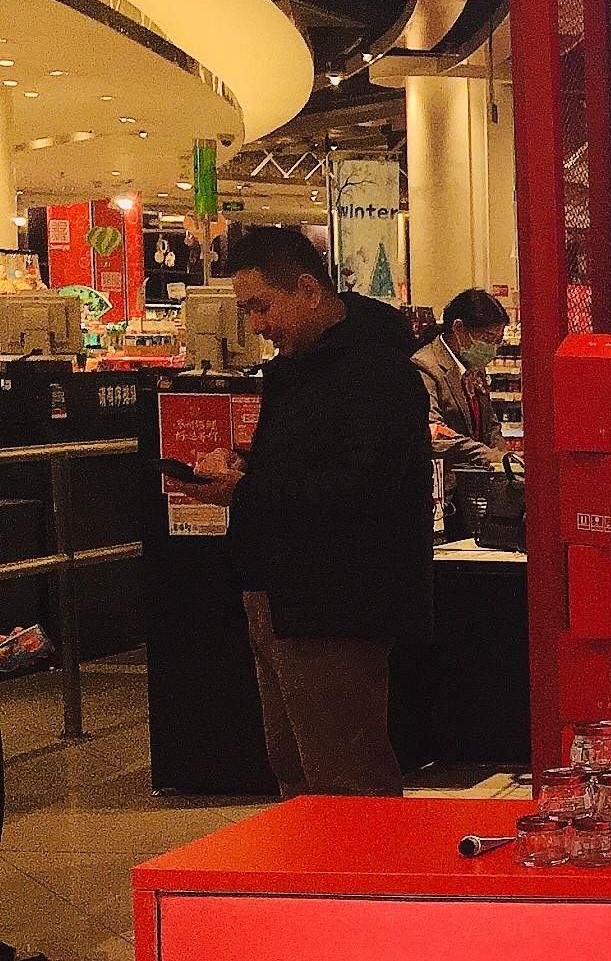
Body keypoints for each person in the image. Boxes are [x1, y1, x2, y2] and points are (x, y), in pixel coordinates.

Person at [177, 226, 432, 798]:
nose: (256, 325)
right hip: (277, 593)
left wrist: (245, 490)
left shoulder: (377, 374)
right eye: (246, 311)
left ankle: (365, 863)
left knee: (346, 780)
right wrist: (242, 463)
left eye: (262, 306)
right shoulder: (295, 368)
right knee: (294, 769)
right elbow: (303, 463)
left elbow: (367, 490)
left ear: (309, 290)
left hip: (338, 601)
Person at [414, 289, 510, 469]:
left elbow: (490, 425)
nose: (493, 348)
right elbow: (434, 431)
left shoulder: (474, 366)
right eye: (488, 338)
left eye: (498, 341)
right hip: (444, 477)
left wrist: (503, 457)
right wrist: (489, 456)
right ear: (459, 329)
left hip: (479, 478)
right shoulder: (426, 366)